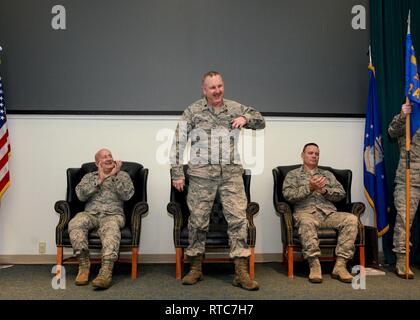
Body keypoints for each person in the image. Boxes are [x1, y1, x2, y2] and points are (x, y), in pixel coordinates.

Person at [170, 71, 265, 290]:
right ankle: (195, 268)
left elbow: (260, 121)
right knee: (198, 220)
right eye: (212, 87)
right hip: (201, 175)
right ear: (204, 90)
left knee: (238, 220)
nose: (217, 91)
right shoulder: (192, 111)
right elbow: (178, 142)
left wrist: (246, 118)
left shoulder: (234, 107)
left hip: (231, 175)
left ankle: (241, 272)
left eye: (220, 86)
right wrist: (177, 173)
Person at [282, 143, 359, 283]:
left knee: (351, 219)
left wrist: (325, 191)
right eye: (310, 153)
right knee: (306, 222)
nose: (314, 156)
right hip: (305, 213)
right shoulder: (293, 175)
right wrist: (310, 188)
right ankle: (314, 265)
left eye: (316, 154)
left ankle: (340, 266)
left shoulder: (327, 174)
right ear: (302, 155)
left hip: (328, 214)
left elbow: (341, 193)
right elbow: (288, 195)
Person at [68, 148, 134, 289]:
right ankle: (84, 266)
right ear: (97, 162)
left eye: (110, 155)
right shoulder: (89, 177)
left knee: (111, 228)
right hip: (91, 214)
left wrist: (114, 176)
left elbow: (127, 195)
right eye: (104, 157)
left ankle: (106, 272)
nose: (109, 158)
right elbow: (80, 195)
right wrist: (100, 179)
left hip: (113, 215)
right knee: (76, 222)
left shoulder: (122, 176)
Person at [388, 102, 420, 279]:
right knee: (404, 220)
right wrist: (402, 115)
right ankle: (402, 260)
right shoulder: (409, 115)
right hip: (409, 179)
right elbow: (392, 132)